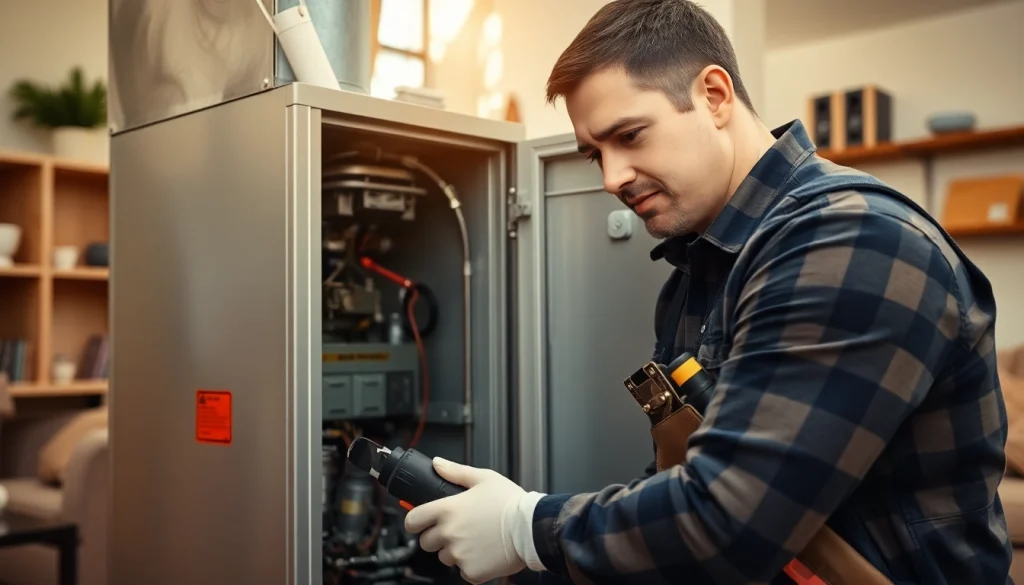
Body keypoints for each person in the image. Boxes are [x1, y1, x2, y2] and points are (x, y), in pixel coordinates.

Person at [403, 1, 1013, 583]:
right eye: (595, 155)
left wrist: (526, 530)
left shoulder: (854, 239)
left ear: (714, 95)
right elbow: (676, 495)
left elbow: (733, 521)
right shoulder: (697, 274)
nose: (612, 178)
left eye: (630, 135)